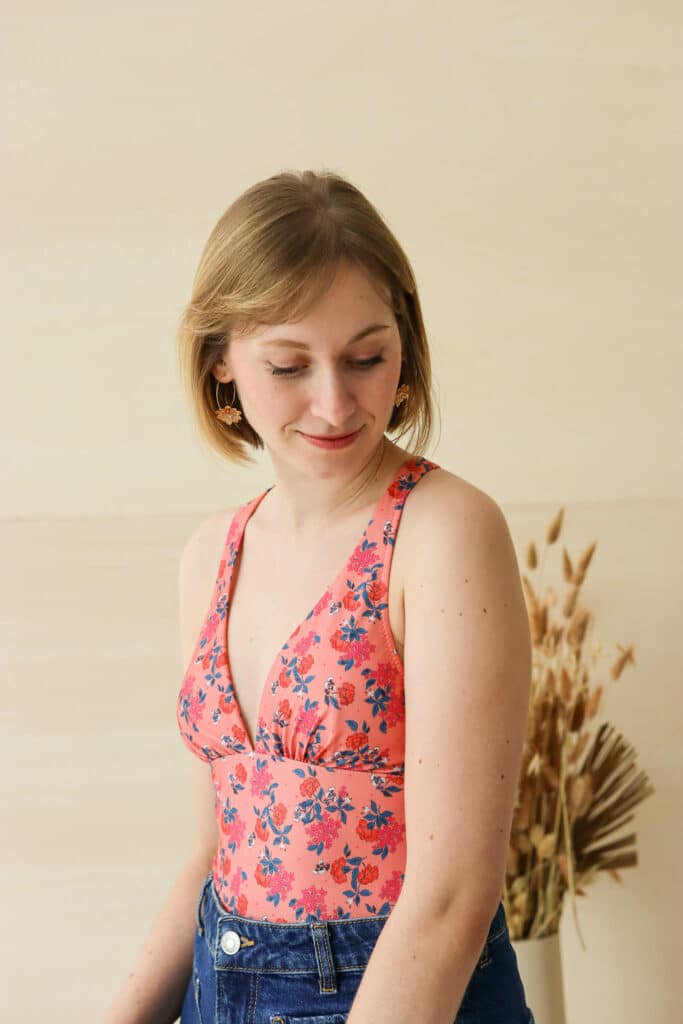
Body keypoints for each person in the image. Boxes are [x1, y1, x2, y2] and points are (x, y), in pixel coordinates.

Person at [105, 170, 535, 1024]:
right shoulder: (211, 555)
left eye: (365, 357)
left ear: (404, 349)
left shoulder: (443, 532)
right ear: (221, 363)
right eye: (289, 365)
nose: (334, 403)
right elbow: (209, 857)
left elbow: (451, 899)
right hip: (219, 984)